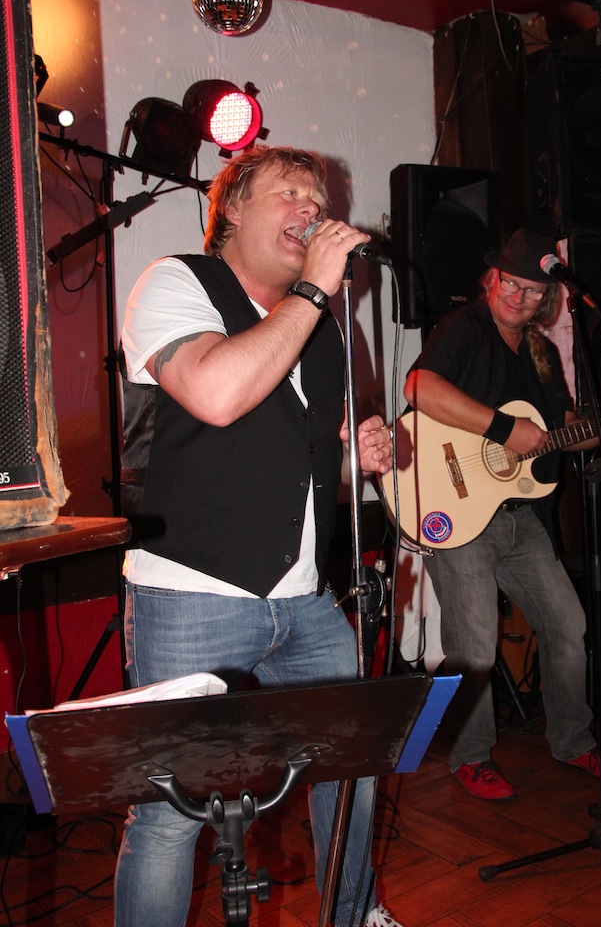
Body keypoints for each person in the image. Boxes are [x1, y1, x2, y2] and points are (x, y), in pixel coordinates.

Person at [115, 145, 400, 927]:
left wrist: (351, 455)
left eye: (319, 198)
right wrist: (312, 291)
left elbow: (295, 462)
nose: (311, 208)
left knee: (351, 770)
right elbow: (215, 394)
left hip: (304, 600)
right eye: (289, 192)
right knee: (171, 809)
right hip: (192, 593)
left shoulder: (321, 328)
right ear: (232, 209)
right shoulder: (177, 281)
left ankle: (353, 914)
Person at [403, 227, 601, 801]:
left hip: (521, 515)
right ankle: (470, 756)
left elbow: (558, 432)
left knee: (569, 625)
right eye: (511, 283)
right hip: (457, 508)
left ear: (548, 297)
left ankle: (572, 740)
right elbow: (419, 387)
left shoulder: (542, 353)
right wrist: (503, 428)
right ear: (492, 279)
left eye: (533, 290)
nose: (519, 298)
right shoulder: (464, 327)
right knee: (474, 645)